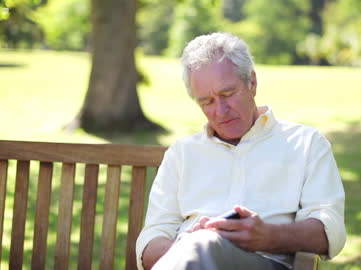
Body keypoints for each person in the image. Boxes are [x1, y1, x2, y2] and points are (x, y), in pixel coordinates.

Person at [136, 32, 346, 270]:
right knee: (201, 245)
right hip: (189, 262)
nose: (221, 111)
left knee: (203, 244)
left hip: (265, 263)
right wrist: (185, 246)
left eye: (228, 94)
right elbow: (150, 243)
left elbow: (330, 230)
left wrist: (268, 236)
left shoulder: (305, 143)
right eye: (207, 102)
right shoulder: (182, 153)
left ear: (252, 83)